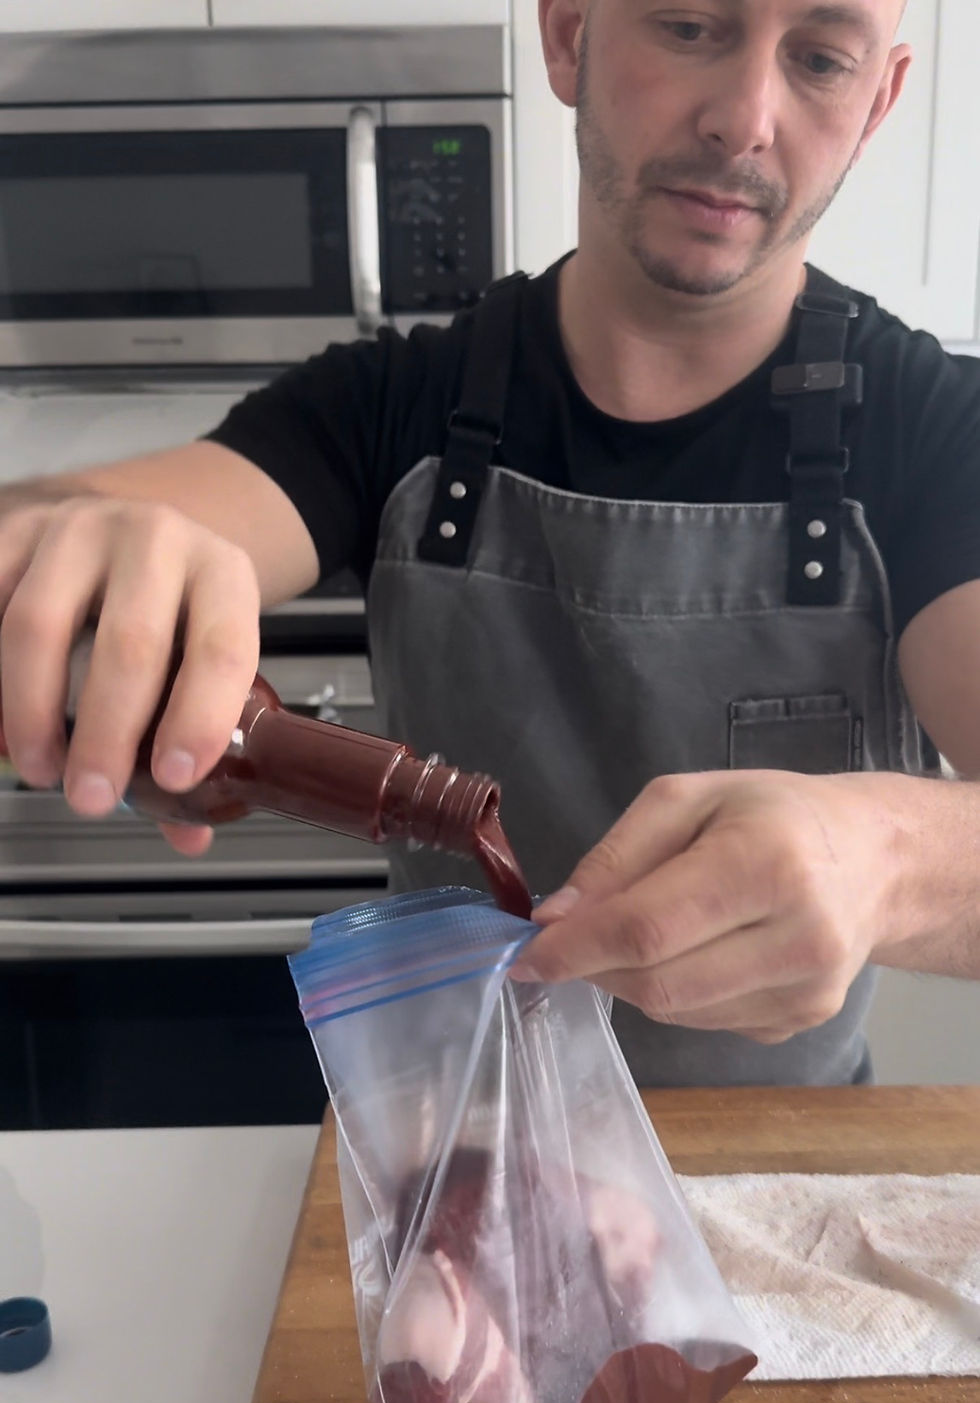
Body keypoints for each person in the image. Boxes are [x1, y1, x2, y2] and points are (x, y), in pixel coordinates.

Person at [1, 0, 979, 1087]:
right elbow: (66, 524)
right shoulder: (388, 406)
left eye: (818, 59)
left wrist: (888, 865)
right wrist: (67, 546)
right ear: (569, 37)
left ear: (877, 100)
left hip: (778, 1180)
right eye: (689, 26)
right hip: (454, 1149)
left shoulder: (930, 432)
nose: (744, 118)